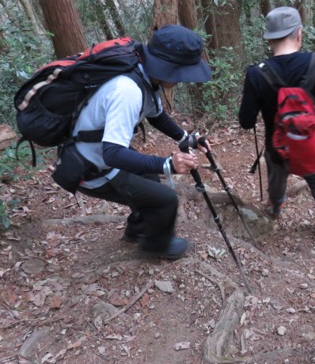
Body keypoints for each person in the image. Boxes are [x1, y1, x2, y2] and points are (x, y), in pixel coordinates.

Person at [73, 25, 212, 259]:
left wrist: (185, 138)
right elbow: (113, 155)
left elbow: (156, 115)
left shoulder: (144, 77)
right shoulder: (127, 91)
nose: (183, 80)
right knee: (165, 199)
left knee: (148, 179)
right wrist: (167, 164)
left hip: (97, 152)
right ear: (170, 68)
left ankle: (137, 231)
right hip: (90, 166)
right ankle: (156, 247)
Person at [238, 6, 315, 247]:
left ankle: (276, 206)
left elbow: (246, 121)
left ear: (269, 39)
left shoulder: (256, 74)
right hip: (313, 145)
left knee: (276, 174)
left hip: (278, 148)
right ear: (299, 33)